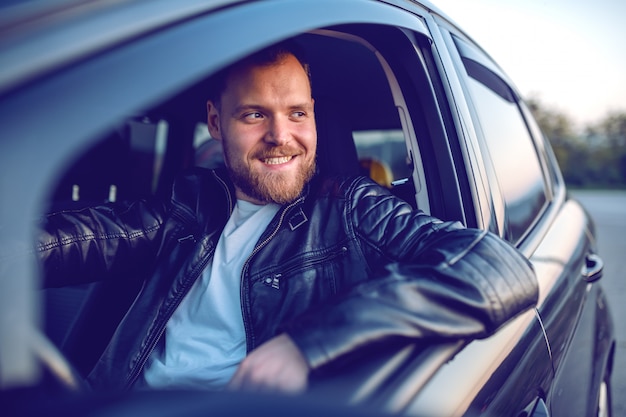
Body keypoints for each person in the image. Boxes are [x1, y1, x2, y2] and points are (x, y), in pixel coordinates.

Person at [36, 42, 538, 394]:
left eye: (297, 113)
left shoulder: (352, 208)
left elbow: (498, 267)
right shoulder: (188, 204)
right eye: (255, 114)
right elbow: (78, 238)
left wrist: (307, 345)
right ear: (216, 123)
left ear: (313, 115)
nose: (281, 135)